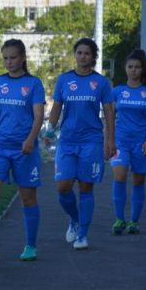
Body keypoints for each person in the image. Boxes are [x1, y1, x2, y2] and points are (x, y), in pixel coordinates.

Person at [0, 39, 45, 261]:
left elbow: (39, 116)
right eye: (5, 58)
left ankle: (30, 246)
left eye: (13, 57)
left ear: (23, 58)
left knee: (28, 198)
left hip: (24, 149)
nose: (9, 62)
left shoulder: (33, 84)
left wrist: (31, 139)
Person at [47, 38, 115, 250]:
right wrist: (50, 128)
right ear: (74, 55)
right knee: (63, 186)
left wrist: (110, 140)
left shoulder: (102, 82)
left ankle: (83, 235)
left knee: (86, 187)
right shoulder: (64, 80)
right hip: (67, 140)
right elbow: (57, 106)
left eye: (87, 53)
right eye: (79, 52)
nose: (83, 56)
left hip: (91, 141)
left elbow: (110, 112)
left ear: (93, 57)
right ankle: (74, 220)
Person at [108, 50, 146, 235]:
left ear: (142, 69)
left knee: (138, 180)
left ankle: (134, 221)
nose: (134, 70)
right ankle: (119, 218)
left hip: (141, 143)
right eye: (130, 67)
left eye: (137, 67)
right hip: (121, 142)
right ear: (125, 69)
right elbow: (110, 118)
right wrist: (109, 141)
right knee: (119, 175)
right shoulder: (117, 91)